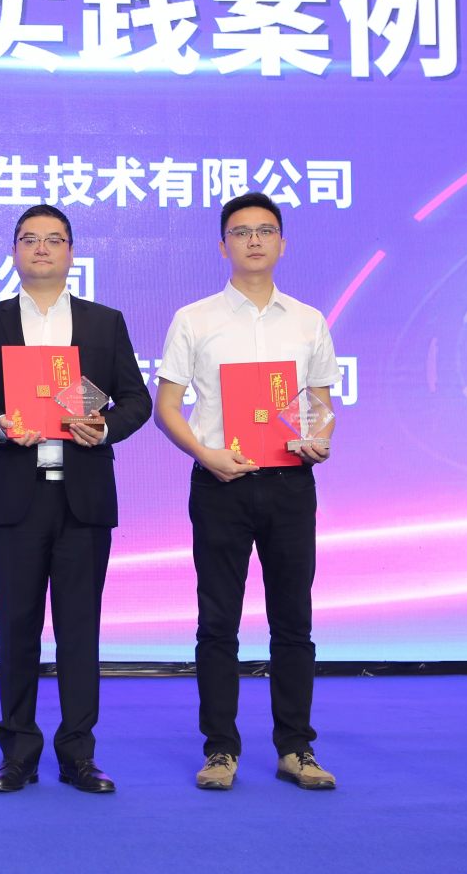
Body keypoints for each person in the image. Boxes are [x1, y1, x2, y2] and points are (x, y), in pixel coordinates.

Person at [0, 204, 151, 795]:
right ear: (13, 252)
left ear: (71, 252)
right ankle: (18, 754)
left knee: (80, 629)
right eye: (29, 239)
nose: (41, 249)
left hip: (82, 493)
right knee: (17, 627)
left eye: (53, 240)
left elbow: (136, 400)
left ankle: (79, 754)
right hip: (14, 493)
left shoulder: (103, 323)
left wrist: (104, 427)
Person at [153, 191, 339, 792]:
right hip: (220, 484)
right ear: (222, 245)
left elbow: (321, 406)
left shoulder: (308, 320)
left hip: (290, 484)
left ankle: (296, 748)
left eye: (264, 230)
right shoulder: (195, 319)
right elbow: (166, 406)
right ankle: (220, 749)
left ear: (282, 243)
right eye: (241, 232)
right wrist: (204, 453)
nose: (253, 240)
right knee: (217, 623)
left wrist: (320, 438)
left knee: (293, 622)